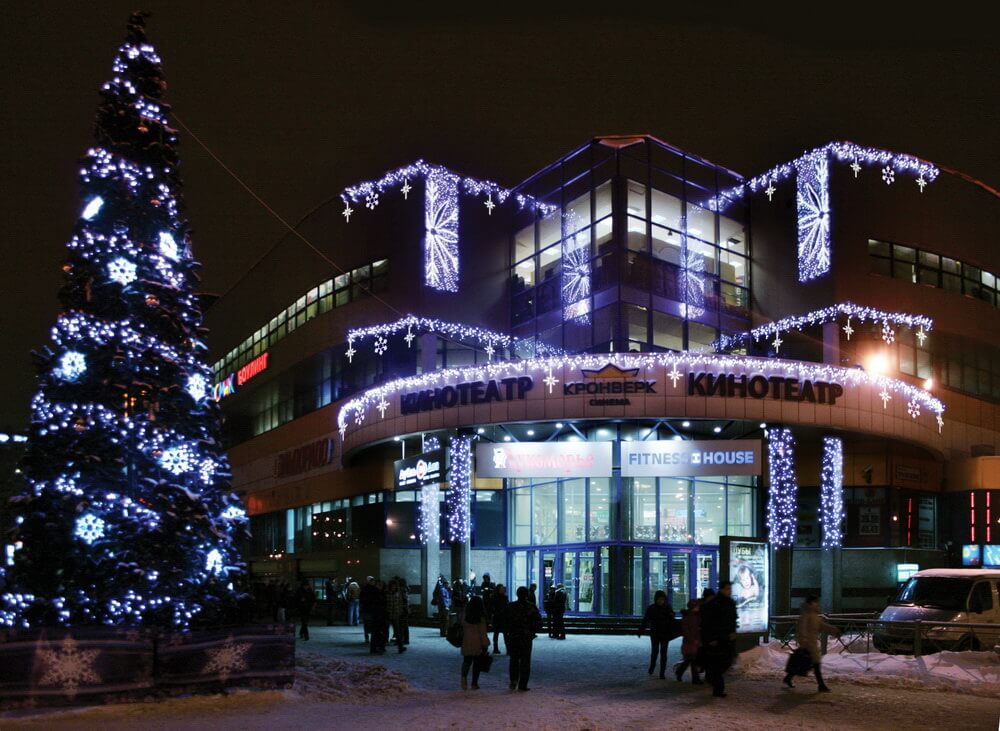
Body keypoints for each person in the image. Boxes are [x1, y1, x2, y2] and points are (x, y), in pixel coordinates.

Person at [784, 595, 839, 692]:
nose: (817, 604)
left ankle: (788, 678)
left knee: (807, 662)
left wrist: (834, 630)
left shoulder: (813, 615)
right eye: (816, 602)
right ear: (812, 602)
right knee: (815, 663)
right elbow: (802, 629)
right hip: (808, 644)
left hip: (812, 643)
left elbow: (821, 626)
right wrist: (803, 642)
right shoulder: (806, 614)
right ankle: (821, 685)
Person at [699, 581, 738, 698]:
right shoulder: (714, 603)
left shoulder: (730, 603)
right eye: (727, 589)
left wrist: (733, 631)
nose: (729, 591)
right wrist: (711, 638)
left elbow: (732, 619)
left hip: (727, 637)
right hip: (717, 638)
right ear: (721, 589)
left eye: (730, 589)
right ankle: (718, 688)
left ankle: (712, 678)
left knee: (726, 661)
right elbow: (707, 622)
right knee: (718, 663)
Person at [502, 586, 543, 691]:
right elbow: (538, 622)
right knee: (525, 661)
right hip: (525, 637)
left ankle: (514, 680)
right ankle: (522, 684)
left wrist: (508, 634)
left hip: (514, 636)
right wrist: (532, 631)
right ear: (527, 595)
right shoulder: (531, 607)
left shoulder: (511, 606)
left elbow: (505, 622)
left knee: (514, 660)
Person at [638, 590, 680, 678]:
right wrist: (641, 630)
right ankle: (652, 667)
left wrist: (671, 616)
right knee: (655, 651)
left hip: (665, 633)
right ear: (656, 599)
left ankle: (662, 673)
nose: (660, 601)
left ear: (664, 600)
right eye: (659, 599)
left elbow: (672, 620)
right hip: (655, 633)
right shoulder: (651, 608)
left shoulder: (667, 608)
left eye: (662, 599)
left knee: (663, 653)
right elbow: (645, 620)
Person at [460, 595, 490, 690]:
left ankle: (463, 678)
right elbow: (483, 633)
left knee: (466, 661)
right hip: (477, 642)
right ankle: (474, 683)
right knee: (477, 663)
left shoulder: (465, 615)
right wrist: (485, 644)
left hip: (467, 640)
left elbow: (461, 625)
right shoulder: (480, 617)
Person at [675, 599, 703, 684]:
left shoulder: (696, 616)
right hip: (689, 642)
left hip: (694, 642)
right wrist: (692, 639)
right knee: (692, 660)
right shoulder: (688, 617)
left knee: (689, 660)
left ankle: (679, 672)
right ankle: (695, 679)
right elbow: (686, 630)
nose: (698, 608)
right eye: (697, 606)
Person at [385, 578, 408, 654]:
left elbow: (400, 602)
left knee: (397, 631)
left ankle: (400, 647)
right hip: (388, 613)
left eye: (394, 586)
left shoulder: (398, 593)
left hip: (395, 614)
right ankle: (382, 646)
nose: (393, 587)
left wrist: (400, 611)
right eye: (392, 586)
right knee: (385, 631)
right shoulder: (386, 593)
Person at [359, 576, 379, 644]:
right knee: (369, 624)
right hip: (370, 609)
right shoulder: (375, 589)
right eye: (372, 581)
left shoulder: (365, 589)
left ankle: (368, 637)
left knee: (367, 624)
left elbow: (361, 598)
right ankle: (369, 637)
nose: (373, 582)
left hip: (367, 608)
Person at [491, 584, 509, 654]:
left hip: (498, 617)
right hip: (501, 617)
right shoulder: (503, 598)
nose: (503, 590)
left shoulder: (495, 597)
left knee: (498, 633)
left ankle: (496, 648)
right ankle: (506, 649)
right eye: (502, 589)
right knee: (504, 634)